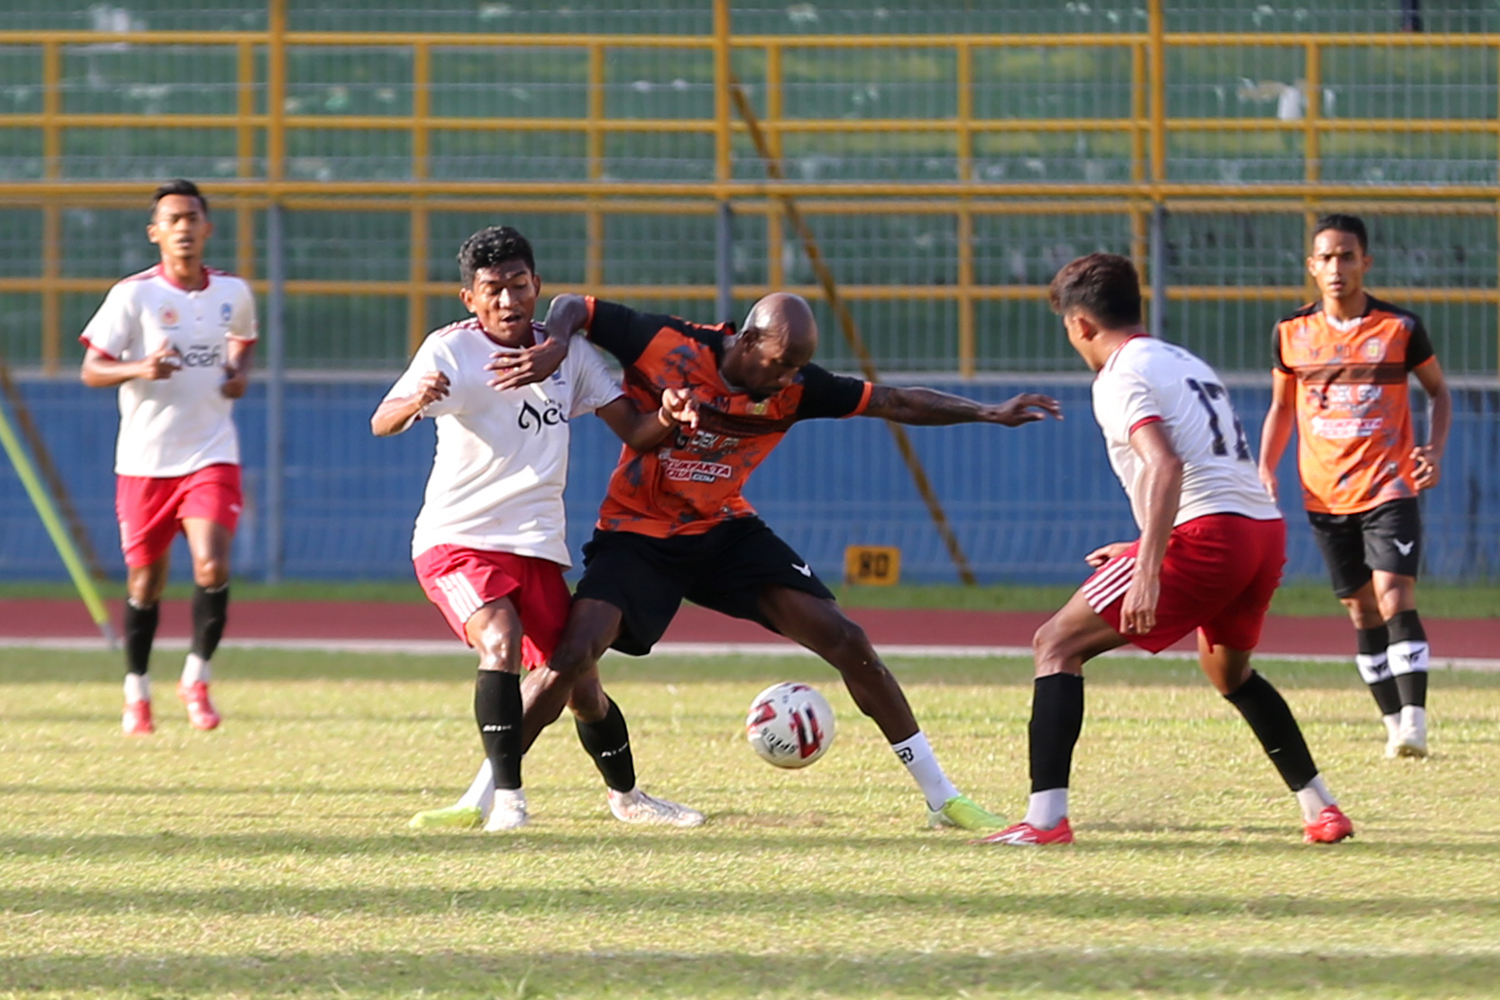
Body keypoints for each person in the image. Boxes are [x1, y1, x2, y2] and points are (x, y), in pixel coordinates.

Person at [476, 288, 1061, 832]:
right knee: (573, 655)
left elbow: (892, 399)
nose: (786, 378)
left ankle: (943, 798)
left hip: (725, 531)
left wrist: (986, 412)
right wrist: (554, 342)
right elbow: (575, 305)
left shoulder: (797, 387)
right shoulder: (668, 344)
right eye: (779, 362)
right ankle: (484, 798)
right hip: (639, 533)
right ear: (749, 341)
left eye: (796, 367)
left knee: (847, 639)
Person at [979, 252, 1353, 847]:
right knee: (1228, 671)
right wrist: (1141, 547)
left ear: (1080, 325)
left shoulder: (1120, 373)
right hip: (1260, 533)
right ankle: (1321, 809)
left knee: (1055, 644)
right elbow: (1208, 469)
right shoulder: (1183, 359)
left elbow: (1166, 463)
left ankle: (1045, 821)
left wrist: (1148, 570)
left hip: (1209, 538)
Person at [372, 225, 703, 831]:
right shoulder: (449, 351)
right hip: (458, 540)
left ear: (537, 286)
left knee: (580, 684)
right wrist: (415, 399)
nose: (507, 301)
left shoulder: (568, 354)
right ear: (469, 298)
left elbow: (633, 429)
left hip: (536, 546)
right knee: (499, 639)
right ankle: (509, 803)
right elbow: (382, 422)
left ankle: (628, 798)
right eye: (492, 290)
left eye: (518, 286)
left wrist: (667, 414)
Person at [1258, 213, 1451, 759]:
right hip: (1323, 493)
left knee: (1394, 594)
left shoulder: (1400, 329)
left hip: (1390, 484)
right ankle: (1392, 723)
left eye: (1347, 256)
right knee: (1361, 611)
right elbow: (1280, 407)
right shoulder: (1291, 334)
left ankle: (1415, 720)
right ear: (1312, 268)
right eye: (1327, 257)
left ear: (1366, 262)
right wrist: (1266, 468)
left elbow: (1439, 393)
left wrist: (1433, 450)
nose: (1337, 267)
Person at [79, 179, 256, 736]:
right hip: (144, 462)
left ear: (208, 228)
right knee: (144, 584)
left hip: (210, 454)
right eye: (172, 219)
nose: (183, 228)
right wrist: (138, 368)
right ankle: (136, 690)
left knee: (212, 564)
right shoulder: (133, 296)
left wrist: (237, 373)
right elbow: (91, 369)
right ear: (155, 232)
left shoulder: (234, 293)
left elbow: (242, 340)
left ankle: (195, 678)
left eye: (191, 218)